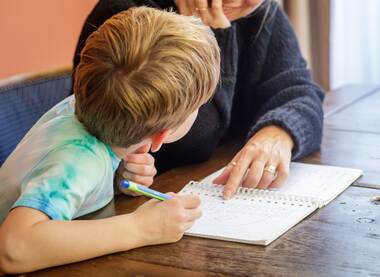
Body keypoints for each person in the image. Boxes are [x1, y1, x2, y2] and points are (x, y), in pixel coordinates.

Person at [0, 7, 220, 273]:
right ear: (161, 137)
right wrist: (142, 228)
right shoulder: (81, 160)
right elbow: (14, 249)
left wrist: (115, 178)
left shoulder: (80, 105)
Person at [73, 0, 325, 200]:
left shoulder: (261, 12)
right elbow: (88, 141)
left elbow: (300, 91)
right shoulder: (131, 23)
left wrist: (277, 134)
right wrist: (117, 171)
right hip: (143, 210)